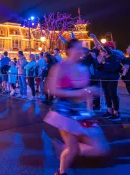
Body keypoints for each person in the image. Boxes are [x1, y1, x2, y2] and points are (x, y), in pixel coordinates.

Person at [44, 39, 109, 175]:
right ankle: (61, 172)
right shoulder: (59, 67)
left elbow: (85, 91)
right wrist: (78, 92)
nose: (81, 51)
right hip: (64, 112)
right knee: (72, 149)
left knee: (100, 148)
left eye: (82, 48)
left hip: (82, 112)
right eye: (77, 48)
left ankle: (64, 149)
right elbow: (52, 90)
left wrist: (91, 94)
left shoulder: (83, 68)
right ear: (68, 50)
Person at [96, 46, 122, 121]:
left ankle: (116, 112)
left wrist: (105, 64)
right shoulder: (104, 58)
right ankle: (109, 110)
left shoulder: (115, 58)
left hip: (112, 79)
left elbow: (113, 69)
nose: (100, 53)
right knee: (106, 95)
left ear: (106, 51)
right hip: (104, 78)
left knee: (113, 95)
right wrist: (101, 62)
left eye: (101, 51)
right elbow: (98, 68)